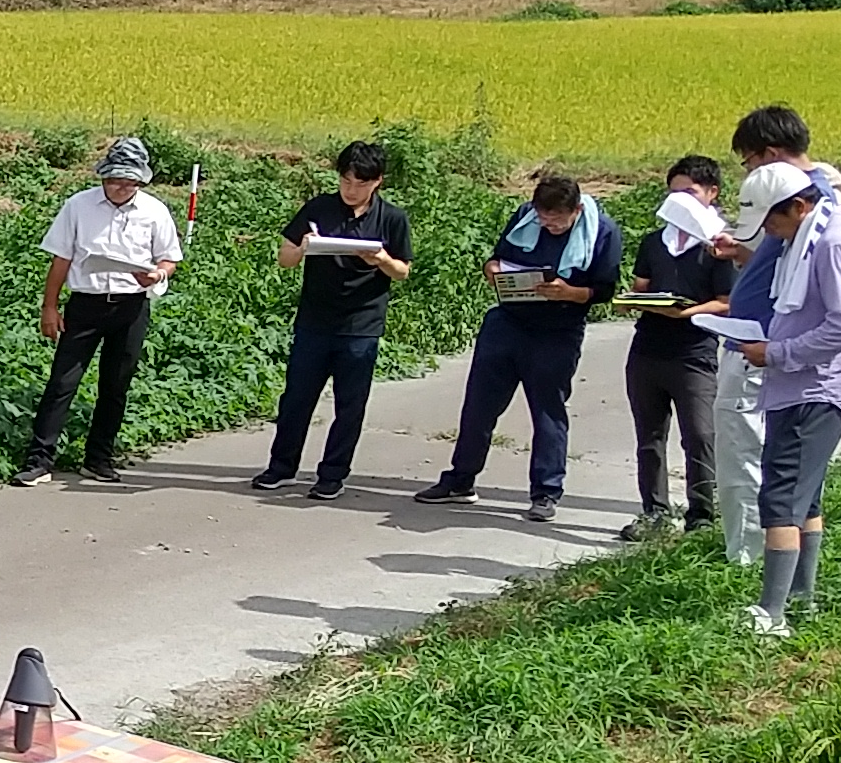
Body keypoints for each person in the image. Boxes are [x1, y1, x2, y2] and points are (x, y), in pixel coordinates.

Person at [417, 175, 621, 520]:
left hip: (559, 328)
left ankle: (546, 492)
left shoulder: (602, 230)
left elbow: (604, 290)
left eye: (557, 220)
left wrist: (569, 292)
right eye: (544, 218)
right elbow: (497, 257)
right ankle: (460, 480)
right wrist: (493, 270)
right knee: (479, 405)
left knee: (547, 411)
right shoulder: (526, 216)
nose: (549, 225)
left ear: (576, 210)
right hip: (508, 321)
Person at [700, 107, 841, 565]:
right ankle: (773, 559)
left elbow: (839, 306)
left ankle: (748, 558)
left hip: (765, 349)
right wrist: (745, 254)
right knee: (773, 458)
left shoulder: (807, 206)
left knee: (747, 454)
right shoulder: (810, 204)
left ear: (771, 154)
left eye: (748, 162)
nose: (749, 171)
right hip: (765, 346)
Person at [741, 162, 841, 637]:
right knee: (806, 496)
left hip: (814, 388)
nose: (771, 235)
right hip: (797, 386)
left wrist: (777, 353)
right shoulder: (808, 239)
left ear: (800, 207)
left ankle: (770, 615)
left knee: (780, 496)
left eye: (774, 223)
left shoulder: (836, 242)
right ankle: (801, 600)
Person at [13, 139, 185, 488]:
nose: (121, 188)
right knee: (62, 382)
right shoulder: (78, 206)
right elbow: (61, 259)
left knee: (115, 385)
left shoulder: (154, 211)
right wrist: (50, 306)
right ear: (102, 177)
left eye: (130, 182)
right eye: (114, 180)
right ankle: (39, 459)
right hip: (86, 303)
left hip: (131, 305)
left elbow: (169, 258)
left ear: (141, 182)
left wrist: (159, 274)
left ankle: (99, 458)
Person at [248, 141, 414, 501]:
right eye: (345, 181)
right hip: (314, 320)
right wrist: (303, 247)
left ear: (377, 182)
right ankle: (281, 467)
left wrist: (381, 260)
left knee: (349, 404)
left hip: (361, 325)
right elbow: (285, 258)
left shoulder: (392, 218)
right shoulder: (319, 208)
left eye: (359, 184)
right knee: (296, 398)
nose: (350, 190)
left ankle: (333, 474)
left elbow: (402, 272)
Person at [619, 156, 735, 541]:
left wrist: (687, 313)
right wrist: (645, 302)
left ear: (711, 194)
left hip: (694, 352)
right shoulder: (656, 242)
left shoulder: (719, 246)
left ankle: (702, 513)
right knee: (649, 437)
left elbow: (727, 301)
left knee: (699, 434)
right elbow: (640, 287)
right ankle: (653, 511)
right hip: (648, 348)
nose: (680, 202)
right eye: (674, 194)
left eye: (689, 193)